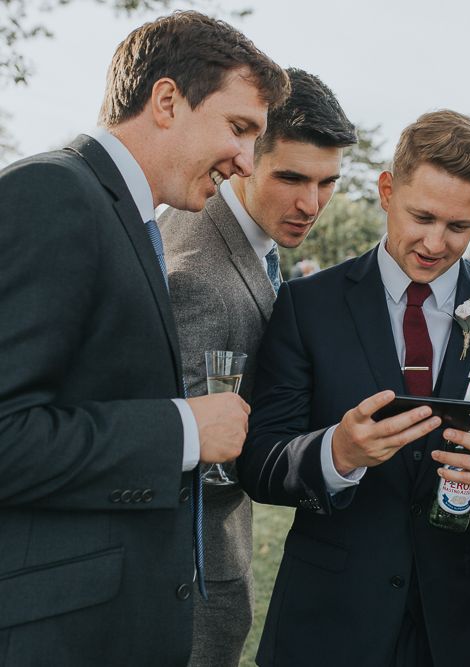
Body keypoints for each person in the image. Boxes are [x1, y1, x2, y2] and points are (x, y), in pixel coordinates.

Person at [0, 11, 288, 666]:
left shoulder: (128, 216)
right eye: (239, 128)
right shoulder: (54, 192)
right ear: (166, 100)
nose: (247, 160)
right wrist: (184, 431)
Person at [239, 110, 470, 667]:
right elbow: (259, 460)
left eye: (460, 226)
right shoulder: (305, 307)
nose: (436, 243)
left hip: (460, 625)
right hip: (329, 619)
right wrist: (336, 453)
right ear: (387, 191)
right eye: (422, 216)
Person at [159, 67, 356, 667]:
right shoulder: (197, 273)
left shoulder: (245, 242)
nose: (311, 203)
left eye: (327, 183)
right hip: (191, 581)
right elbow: (187, 463)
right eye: (291, 177)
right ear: (245, 158)